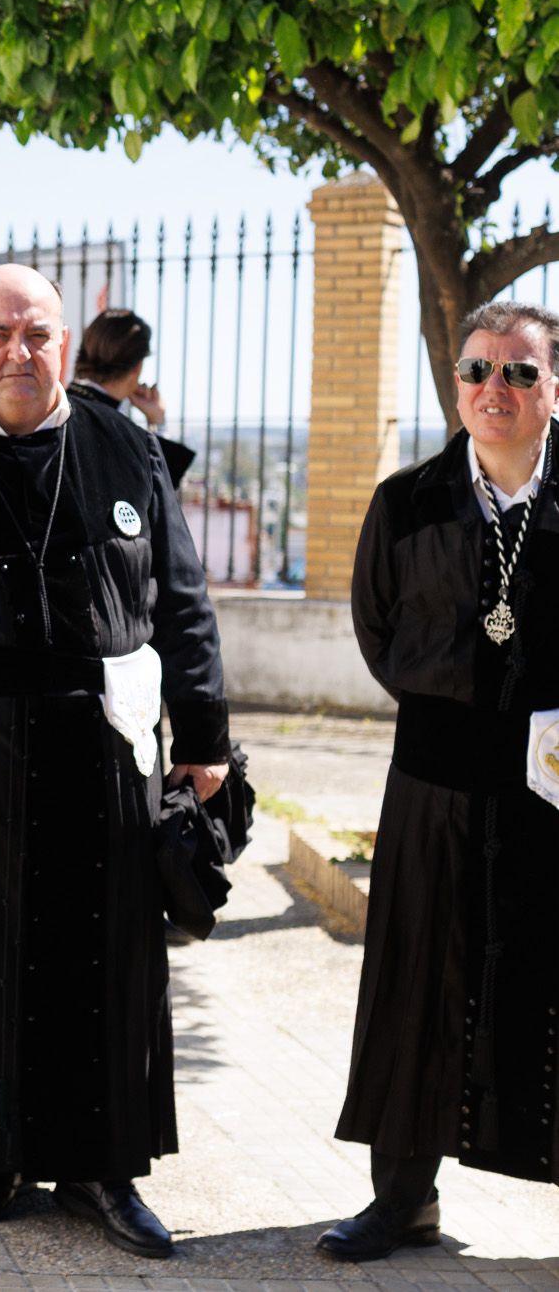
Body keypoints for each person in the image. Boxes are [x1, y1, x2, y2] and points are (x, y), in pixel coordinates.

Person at [0, 264, 229, 1260]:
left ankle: (105, 1170)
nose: (20, 353)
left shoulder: (126, 448)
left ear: (65, 343)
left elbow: (183, 599)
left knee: (100, 959)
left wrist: (204, 736)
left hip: (98, 749)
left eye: (39, 334)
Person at [322, 299, 558, 1261]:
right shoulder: (408, 501)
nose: (494, 389)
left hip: (552, 789)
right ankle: (403, 1199)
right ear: (456, 382)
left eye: (520, 372)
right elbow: (379, 629)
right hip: (431, 780)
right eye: (477, 371)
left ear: (555, 388)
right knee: (416, 980)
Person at [65, 307, 195, 483]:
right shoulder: (115, 427)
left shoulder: (59, 406)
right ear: (137, 367)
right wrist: (157, 420)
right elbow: (159, 489)